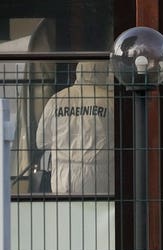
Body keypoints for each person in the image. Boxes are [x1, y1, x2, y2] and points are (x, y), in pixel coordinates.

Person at [35, 61, 114, 194]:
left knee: (66, 214)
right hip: (99, 179)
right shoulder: (110, 100)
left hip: (63, 176)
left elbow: (41, 142)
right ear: (103, 73)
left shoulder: (57, 99)